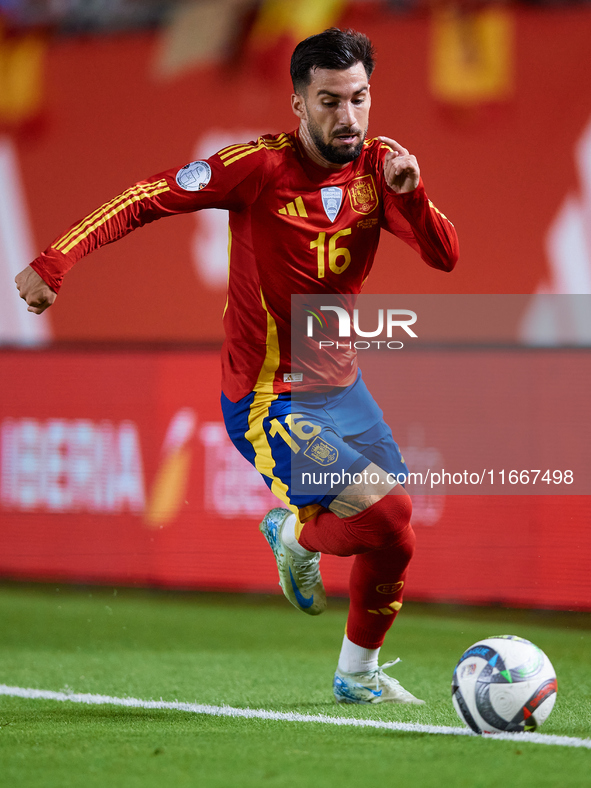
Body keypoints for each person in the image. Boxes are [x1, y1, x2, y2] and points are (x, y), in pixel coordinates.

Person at [15, 28, 458, 705]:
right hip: (269, 398)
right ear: (298, 106)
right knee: (386, 507)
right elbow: (145, 196)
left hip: (344, 391)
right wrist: (55, 262)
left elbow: (445, 256)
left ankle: (357, 674)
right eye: (330, 101)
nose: (348, 117)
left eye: (359, 99)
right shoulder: (255, 168)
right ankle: (292, 532)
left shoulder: (380, 169)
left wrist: (414, 195)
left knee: (395, 538)